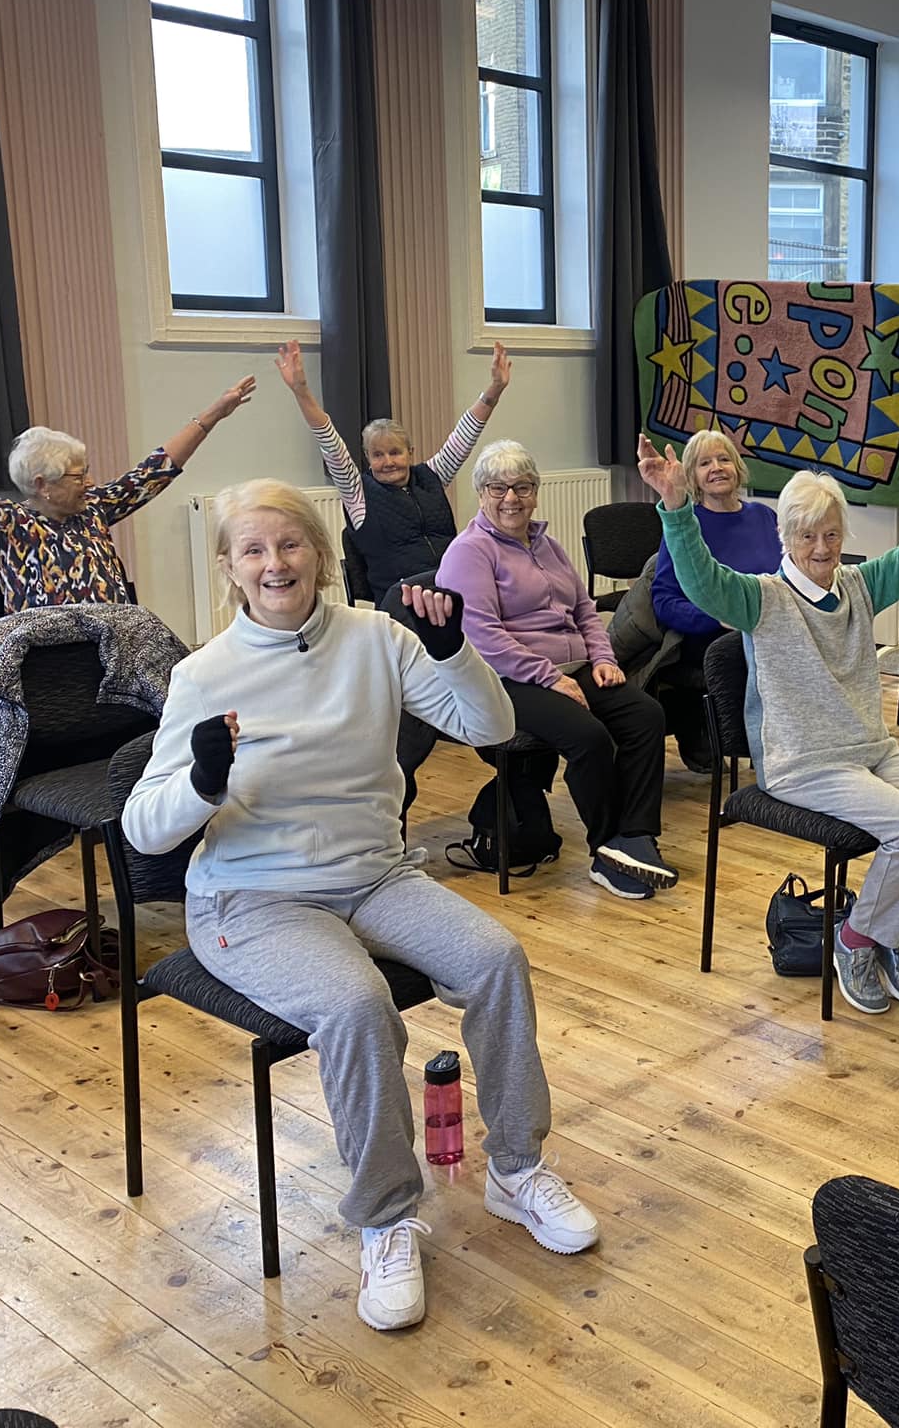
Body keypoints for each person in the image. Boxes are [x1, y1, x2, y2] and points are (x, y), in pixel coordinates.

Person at [120, 479, 596, 1335]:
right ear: (229, 567)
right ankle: (385, 1216)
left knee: (496, 958)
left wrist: (453, 651)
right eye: (254, 549)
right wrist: (201, 782)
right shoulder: (204, 674)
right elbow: (144, 830)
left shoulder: (378, 638)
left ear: (321, 554)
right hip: (252, 899)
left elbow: (489, 728)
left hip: (374, 875)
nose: (276, 563)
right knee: (356, 1004)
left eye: (290, 544)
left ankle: (516, 1169)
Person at [638, 416, 899, 1019]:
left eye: (831, 534)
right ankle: (857, 940)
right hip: (802, 763)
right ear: (784, 536)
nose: (821, 548)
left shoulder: (859, 585)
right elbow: (701, 583)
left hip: (869, 751)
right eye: (807, 535)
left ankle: (887, 935)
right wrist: (677, 506)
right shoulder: (761, 597)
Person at [437, 439, 676, 900]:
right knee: (588, 736)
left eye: (522, 487)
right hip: (507, 678)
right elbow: (483, 637)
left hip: (573, 665)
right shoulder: (469, 552)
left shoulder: (546, 544)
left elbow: (585, 609)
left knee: (646, 716)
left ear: (535, 492)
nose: (511, 498)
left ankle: (636, 837)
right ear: (481, 493)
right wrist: (550, 677)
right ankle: (606, 850)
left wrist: (603, 659)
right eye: (498, 488)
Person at [0, 381, 254, 613]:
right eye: (79, 475)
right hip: (48, 665)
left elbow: (154, 471)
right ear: (42, 484)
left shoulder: (94, 509)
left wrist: (213, 415)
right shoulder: (4, 522)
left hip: (115, 651)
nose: (90, 482)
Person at [280, 338, 512, 606]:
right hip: (403, 601)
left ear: (410, 453)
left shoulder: (431, 476)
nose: (388, 461)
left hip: (453, 586)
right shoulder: (357, 493)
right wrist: (301, 391)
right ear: (368, 459)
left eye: (395, 452)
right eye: (378, 455)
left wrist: (495, 389)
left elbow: (464, 435)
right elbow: (330, 442)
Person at [638, 430, 780, 769]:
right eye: (704, 463)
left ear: (737, 467)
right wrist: (715, 617)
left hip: (766, 628)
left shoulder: (765, 517)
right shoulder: (686, 525)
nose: (716, 467)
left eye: (723, 459)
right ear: (691, 476)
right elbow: (664, 600)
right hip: (712, 637)